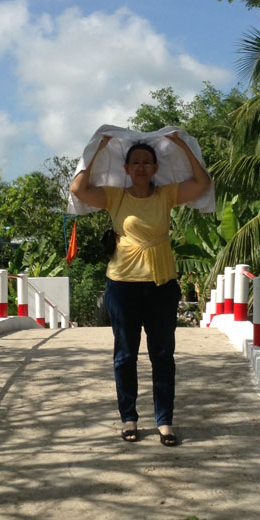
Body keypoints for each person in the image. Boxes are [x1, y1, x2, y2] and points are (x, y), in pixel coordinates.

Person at [70, 131, 211, 446]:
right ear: (126, 168)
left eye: (148, 162)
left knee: (163, 355)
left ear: (156, 167)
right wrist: (96, 150)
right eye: (136, 163)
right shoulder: (115, 196)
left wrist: (185, 147)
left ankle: (164, 422)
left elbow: (202, 184)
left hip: (161, 284)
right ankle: (129, 418)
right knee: (125, 355)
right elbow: (78, 189)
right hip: (122, 285)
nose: (142, 167)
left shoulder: (166, 194)